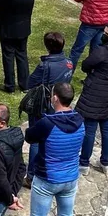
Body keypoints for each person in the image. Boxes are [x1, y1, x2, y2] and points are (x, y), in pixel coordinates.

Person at [23, 83, 84, 216]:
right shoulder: (80, 120)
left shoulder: (47, 123)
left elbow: (29, 137)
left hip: (47, 180)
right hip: (70, 179)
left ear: (55, 98)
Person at [75, 21, 108, 173]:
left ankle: (84, 163)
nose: (103, 36)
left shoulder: (101, 52)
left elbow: (86, 65)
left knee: (90, 129)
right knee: (106, 129)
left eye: (107, 34)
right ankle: (105, 162)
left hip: (95, 93)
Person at [24, 31, 74, 182]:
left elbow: (30, 83)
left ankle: (31, 175)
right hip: (59, 104)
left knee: (37, 140)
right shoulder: (69, 63)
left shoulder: (45, 65)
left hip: (43, 105)